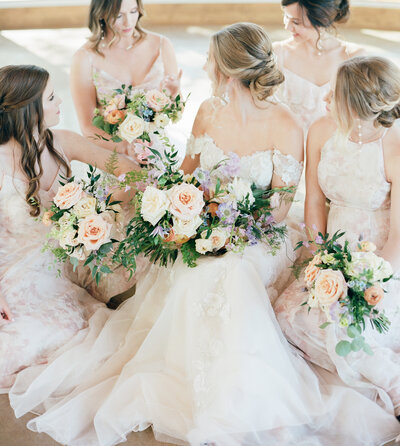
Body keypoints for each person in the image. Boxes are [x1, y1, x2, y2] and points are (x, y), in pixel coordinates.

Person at [8, 27, 399, 446]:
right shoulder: (208, 112)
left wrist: (231, 232)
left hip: (259, 236)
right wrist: (189, 214)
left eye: (210, 60)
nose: (204, 66)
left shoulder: (286, 123)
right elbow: (189, 178)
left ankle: (237, 395)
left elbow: (281, 206)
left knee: (230, 274)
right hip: (204, 227)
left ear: (228, 72)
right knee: (190, 271)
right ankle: (192, 381)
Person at [275, 56, 400, 422]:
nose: (325, 97)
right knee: (289, 318)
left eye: (335, 93)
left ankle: (394, 385)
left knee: (350, 326)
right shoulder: (321, 130)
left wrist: (372, 280)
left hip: (383, 256)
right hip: (333, 249)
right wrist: (318, 259)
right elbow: (314, 202)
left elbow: (399, 234)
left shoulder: (394, 144)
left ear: (359, 104)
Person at [0, 64, 140, 391]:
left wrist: (104, 206)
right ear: (28, 109)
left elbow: (130, 172)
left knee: (85, 324)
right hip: (13, 273)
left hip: (60, 265)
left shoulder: (62, 141)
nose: (60, 101)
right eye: (51, 97)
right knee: (48, 338)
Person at [71, 0, 182, 155]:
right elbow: (88, 129)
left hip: (158, 152)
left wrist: (172, 96)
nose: (128, 22)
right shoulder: (84, 58)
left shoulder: (162, 45)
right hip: (114, 157)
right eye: (118, 15)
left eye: (133, 11)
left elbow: (173, 113)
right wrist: (125, 149)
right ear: (101, 13)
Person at [274, 0, 365, 132]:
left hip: (334, 148)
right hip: (289, 146)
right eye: (286, 17)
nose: (288, 27)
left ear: (322, 20)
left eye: (296, 22)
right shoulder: (278, 53)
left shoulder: (354, 57)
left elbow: (362, 117)